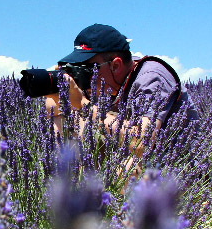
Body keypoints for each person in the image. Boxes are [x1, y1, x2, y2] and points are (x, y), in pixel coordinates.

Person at [42, 23, 198, 154]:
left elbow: (141, 144)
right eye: (76, 68)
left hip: (175, 170)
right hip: (139, 159)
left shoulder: (151, 77)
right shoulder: (105, 82)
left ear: (115, 65)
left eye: (87, 70)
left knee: (130, 163)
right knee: (71, 123)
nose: (81, 76)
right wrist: (57, 95)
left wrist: (82, 103)